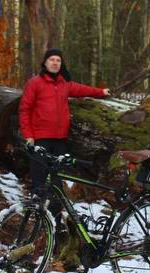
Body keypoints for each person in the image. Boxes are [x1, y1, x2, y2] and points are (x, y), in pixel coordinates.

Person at [19, 49, 110, 199]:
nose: (55, 63)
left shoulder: (64, 83)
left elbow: (82, 89)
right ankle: (38, 216)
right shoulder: (34, 83)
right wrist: (28, 136)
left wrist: (100, 92)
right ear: (45, 62)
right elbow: (24, 110)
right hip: (40, 139)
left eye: (58, 60)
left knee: (57, 182)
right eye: (52, 60)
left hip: (60, 139)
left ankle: (56, 219)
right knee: (39, 181)